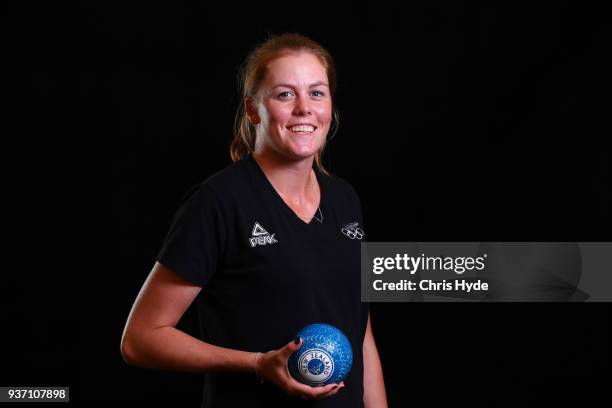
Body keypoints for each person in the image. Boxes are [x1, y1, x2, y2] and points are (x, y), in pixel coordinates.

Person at [120, 32, 387, 407]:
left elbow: (360, 333)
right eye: (284, 94)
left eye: (316, 92)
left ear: (330, 106)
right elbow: (141, 339)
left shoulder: (346, 199)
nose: (303, 109)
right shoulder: (218, 203)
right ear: (252, 109)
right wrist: (258, 364)